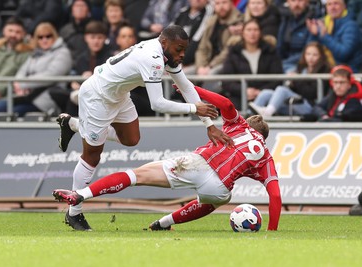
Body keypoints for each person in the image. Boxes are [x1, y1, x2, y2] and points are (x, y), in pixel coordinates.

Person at [55, 25, 232, 231]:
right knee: (92, 156)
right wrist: (194, 108)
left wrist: (209, 126)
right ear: (164, 43)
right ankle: (74, 213)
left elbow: (186, 87)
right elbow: (157, 104)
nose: (182, 54)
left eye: (184, 49)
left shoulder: (166, 55)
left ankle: (73, 124)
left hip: (119, 95)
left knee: (131, 139)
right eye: (179, 49)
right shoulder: (153, 59)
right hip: (98, 97)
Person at [53, 85, 282, 231]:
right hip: (220, 186)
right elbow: (275, 195)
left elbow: (227, 105)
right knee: (213, 202)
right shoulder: (266, 158)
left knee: (136, 175)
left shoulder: (239, 125)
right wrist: (272, 230)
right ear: (264, 137)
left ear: (249, 125)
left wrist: (193, 89)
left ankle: (79, 195)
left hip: (199, 163)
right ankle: (163, 223)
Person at [0, 22, 72, 118]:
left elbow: (51, 75)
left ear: (54, 36)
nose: (44, 40)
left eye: (48, 36)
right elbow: (21, 71)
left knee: (10, 113)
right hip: (26, 97)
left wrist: (22, 84)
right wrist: (18, 84)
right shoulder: (35, 54)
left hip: (45, 100)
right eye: (40, 37)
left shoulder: (63, 53)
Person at [248, 42, 332, 117]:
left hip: (310, 107)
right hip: (294, 103)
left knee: (282, 90)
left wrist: (296, 80)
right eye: (308, 54)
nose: (311, 57)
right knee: (266, 93)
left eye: (315, 55)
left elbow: (311, 93)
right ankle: (248, 117)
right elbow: (295, 90)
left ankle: (267, 113)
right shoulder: (301, 68)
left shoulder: (324, 70)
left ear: (321, 56)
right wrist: (291, 82)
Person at [220, 19, 283, 110]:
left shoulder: (270, 52)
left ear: (260, 32)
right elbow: (227, 81)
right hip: (238, 97)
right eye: (249, 30)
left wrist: (259, 92)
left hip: (265, 97)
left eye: (255, 30)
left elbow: (277, 78)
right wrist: (244, 90)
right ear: (243, 33)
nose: (252, 33)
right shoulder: (234, 53)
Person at [306, 0, 362, 72]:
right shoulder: (322, 23)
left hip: (346, 74)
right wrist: (313, 34)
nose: (332, 7)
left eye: (336, 3)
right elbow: (309, 50)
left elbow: (343, 54)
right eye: (329, 4)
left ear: (344, 6)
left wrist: (324, 36)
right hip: (324, 70)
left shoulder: (351, 26)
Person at [276, 0, 316, 73]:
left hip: (305, 64)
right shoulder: (284, 20)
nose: (296, 4)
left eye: (300, 1)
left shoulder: (313, 20)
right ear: (288, 2)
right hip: (285, 64)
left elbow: (308, 51)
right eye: (293, 1)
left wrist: (284, 63)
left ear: (307, 2)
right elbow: (279, 47)